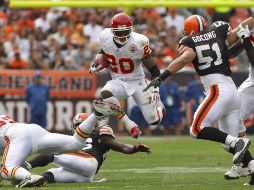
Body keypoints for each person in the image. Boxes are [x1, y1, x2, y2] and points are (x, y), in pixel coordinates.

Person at [145, 15, 254, 168]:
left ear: (188, 31)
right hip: (233, 92)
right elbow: (240, 28)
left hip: (218, 91)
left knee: (197, 128)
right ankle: (251, 167)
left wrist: (162, 77)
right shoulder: (217, 31)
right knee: (228, 142)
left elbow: (185, 58)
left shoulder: (189, 41)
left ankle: (237, 142)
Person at [0, 100, 122, 187]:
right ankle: (96, 115)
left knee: (7, 170)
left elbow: (7, 165)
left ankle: (30, 177)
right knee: (76, 144)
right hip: (32, 130)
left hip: (15, 135)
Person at [20, 113, 151, 186]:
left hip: (88, 160)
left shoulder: (100, 131)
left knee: (52, 154)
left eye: (80, 126)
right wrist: (135, 149)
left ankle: (23, 168)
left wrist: (134, 148)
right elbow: (121, 148)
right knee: (49, 174)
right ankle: (34, 181)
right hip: (85, 175)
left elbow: (118, 146)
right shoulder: (75, 139)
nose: (79, 129)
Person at [89, 13, 164, 138]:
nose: (123, 36)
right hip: (118, 80)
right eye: (119, 33)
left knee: (154, 120)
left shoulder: (139, 41)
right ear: (113, 31)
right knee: (105, 93)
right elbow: (104, 51)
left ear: (131, 30)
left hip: (138, 81)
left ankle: (160, 107)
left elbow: (153, 68)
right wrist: (96, 62)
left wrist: (156, 89)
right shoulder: (104, 36)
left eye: (125, 32)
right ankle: (129, 124)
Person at [222, 25, 254, 185]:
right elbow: (230, 53)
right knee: (230, 121)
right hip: (252, 85)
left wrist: (246, 40)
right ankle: (246, 164)